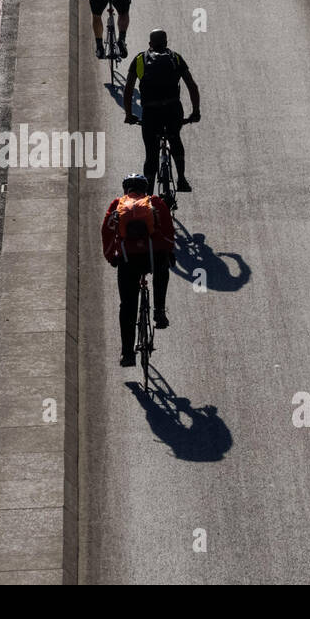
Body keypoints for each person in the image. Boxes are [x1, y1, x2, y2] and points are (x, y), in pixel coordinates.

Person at [102, 173, 176, 366]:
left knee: (127, 306)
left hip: (128, 261)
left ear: (126, 189)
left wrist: (112, 257)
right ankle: (159, 311)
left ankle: (127, 354)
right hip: (152, 256)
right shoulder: (155, 202)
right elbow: (169, 231)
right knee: (163, 267)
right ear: (145, 189)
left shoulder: (117, 204)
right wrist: (168, 251)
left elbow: (107, 232)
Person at [123, 29, 200, 194]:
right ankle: (182, 180)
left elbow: (128, 90)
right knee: (175, 138)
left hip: (151, 113)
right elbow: (192, 86)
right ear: (166, 42)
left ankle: (148, 194)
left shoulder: (139, 59)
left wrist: (129, 115)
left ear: (150, 43)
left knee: (151, 153)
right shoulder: (176, 58)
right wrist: (195, 112)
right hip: (173, 110)